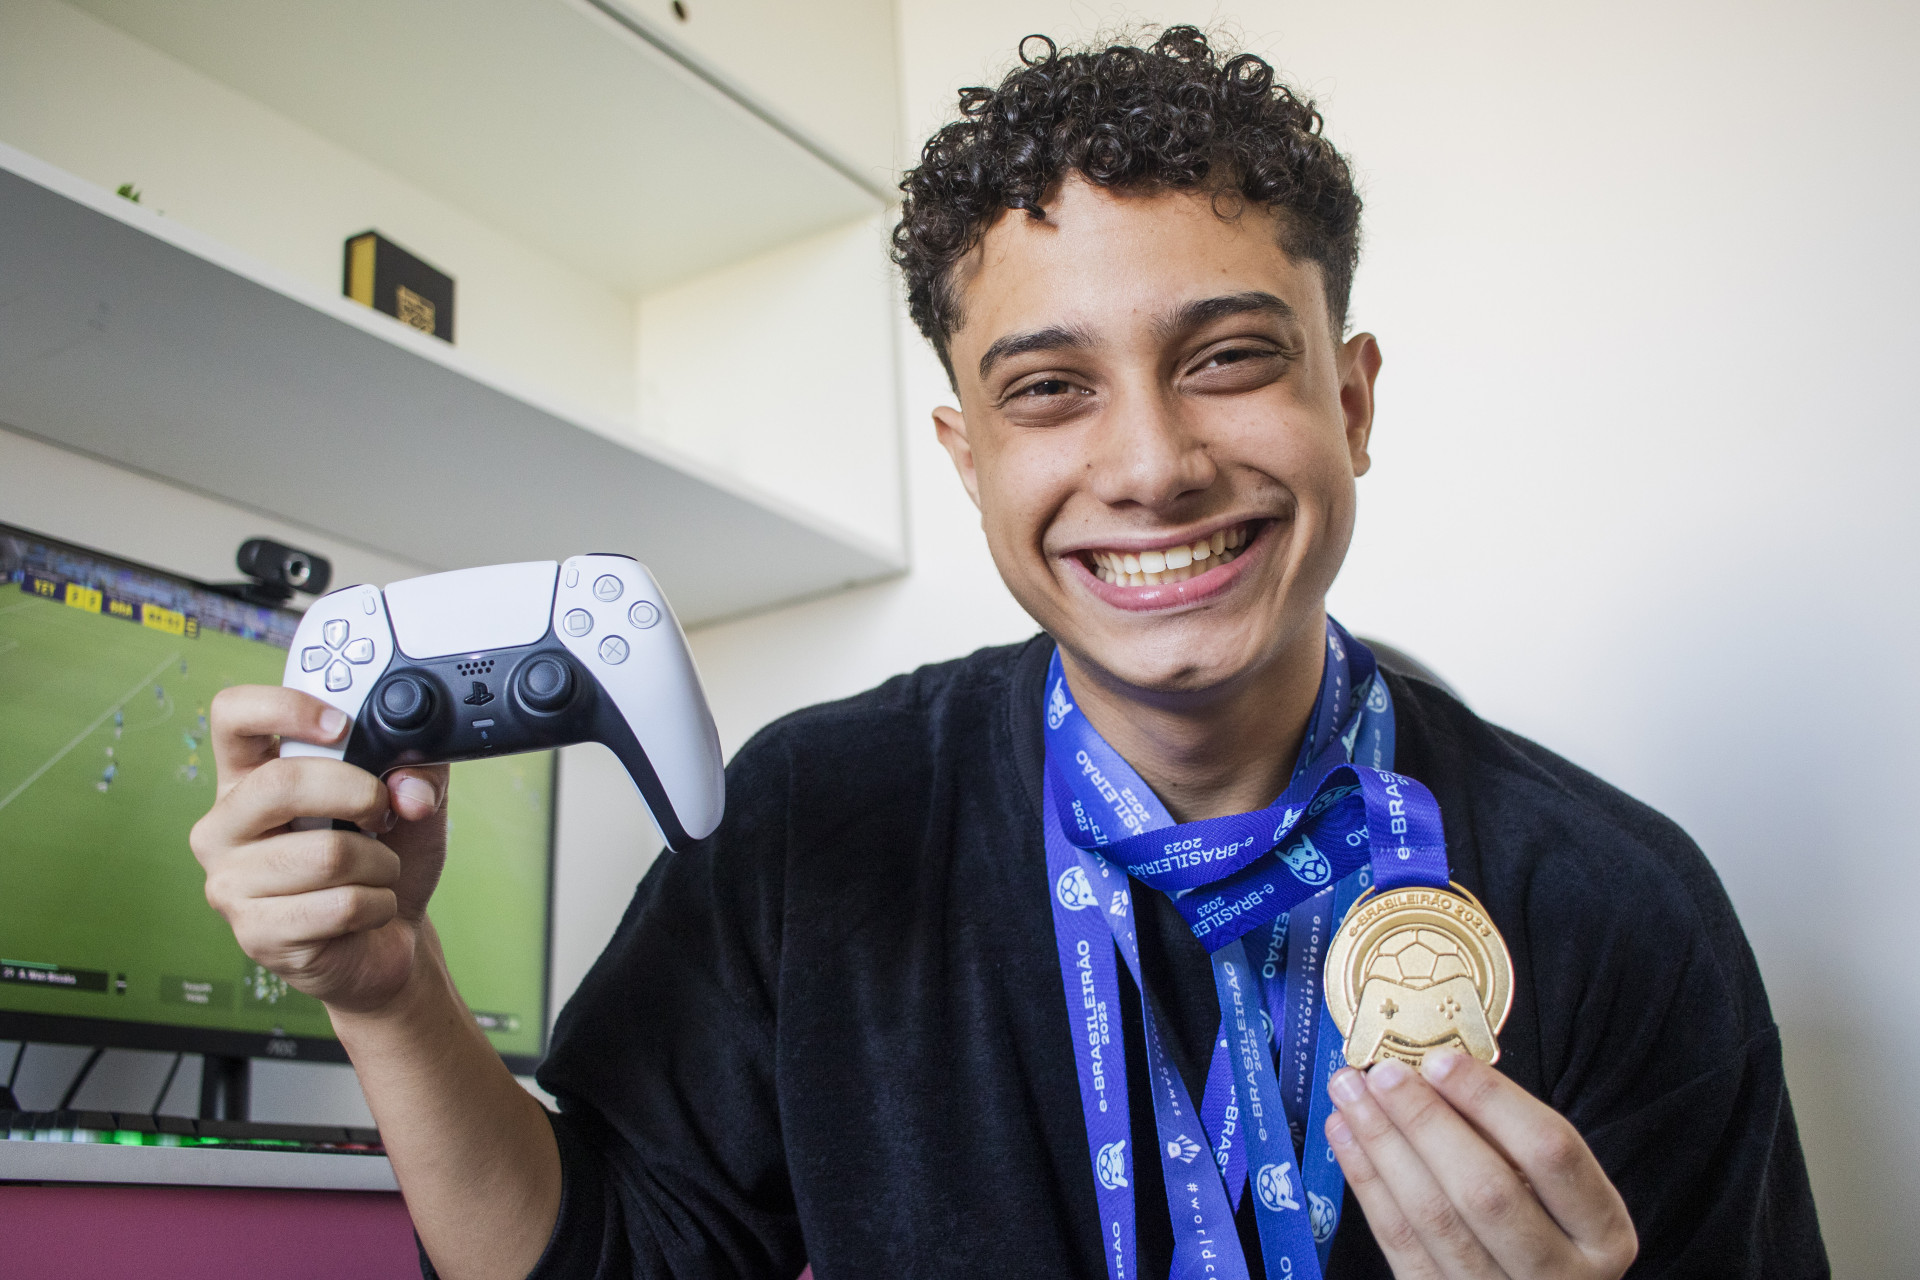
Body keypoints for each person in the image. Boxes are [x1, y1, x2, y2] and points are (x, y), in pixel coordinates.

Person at [189, 27, 1825, 1280]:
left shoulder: (1615, 899)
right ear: (969, 455)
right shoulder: (808, 828)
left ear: (1354, 399)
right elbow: (604, 1254)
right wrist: (391, 999)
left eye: (1233, 357)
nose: (1152, 463)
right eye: (1050, 388)